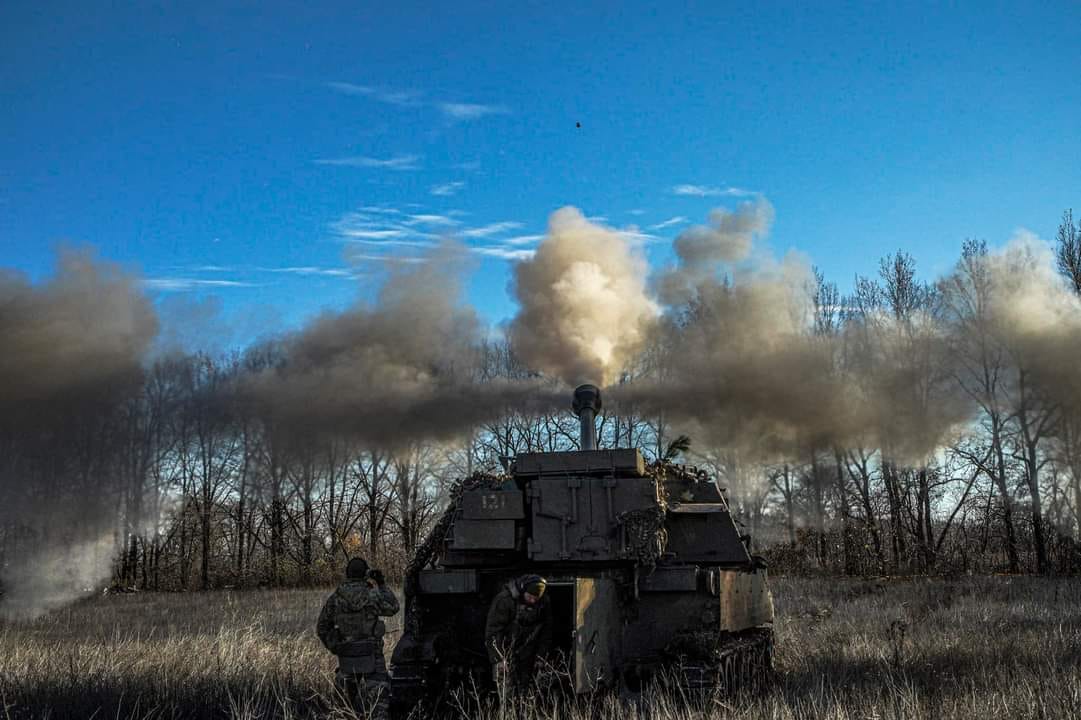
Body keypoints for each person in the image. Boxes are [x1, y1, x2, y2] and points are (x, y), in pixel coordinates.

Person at [317, 557, 400, 719]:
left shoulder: (336, 599)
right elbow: (394, 607)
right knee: (378, 705)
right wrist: (381, 584)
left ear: (347, 574)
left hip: (347, 659)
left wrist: (336, 646)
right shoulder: (373, 595)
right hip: (372, 657)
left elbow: (322, 628)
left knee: (343, 708)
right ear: (365, 574)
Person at [484, 574, 552, 696]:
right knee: (507, 695)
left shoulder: (543, 603)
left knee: (527, 694)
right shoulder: (505, 600)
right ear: (522, 590)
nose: (532, 601)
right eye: (530, 597)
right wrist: (498, 659)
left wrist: (541, 656)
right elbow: (493, 631)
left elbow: (545, 632)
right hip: (504, 653)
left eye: (535, 599)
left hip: (527, 654)